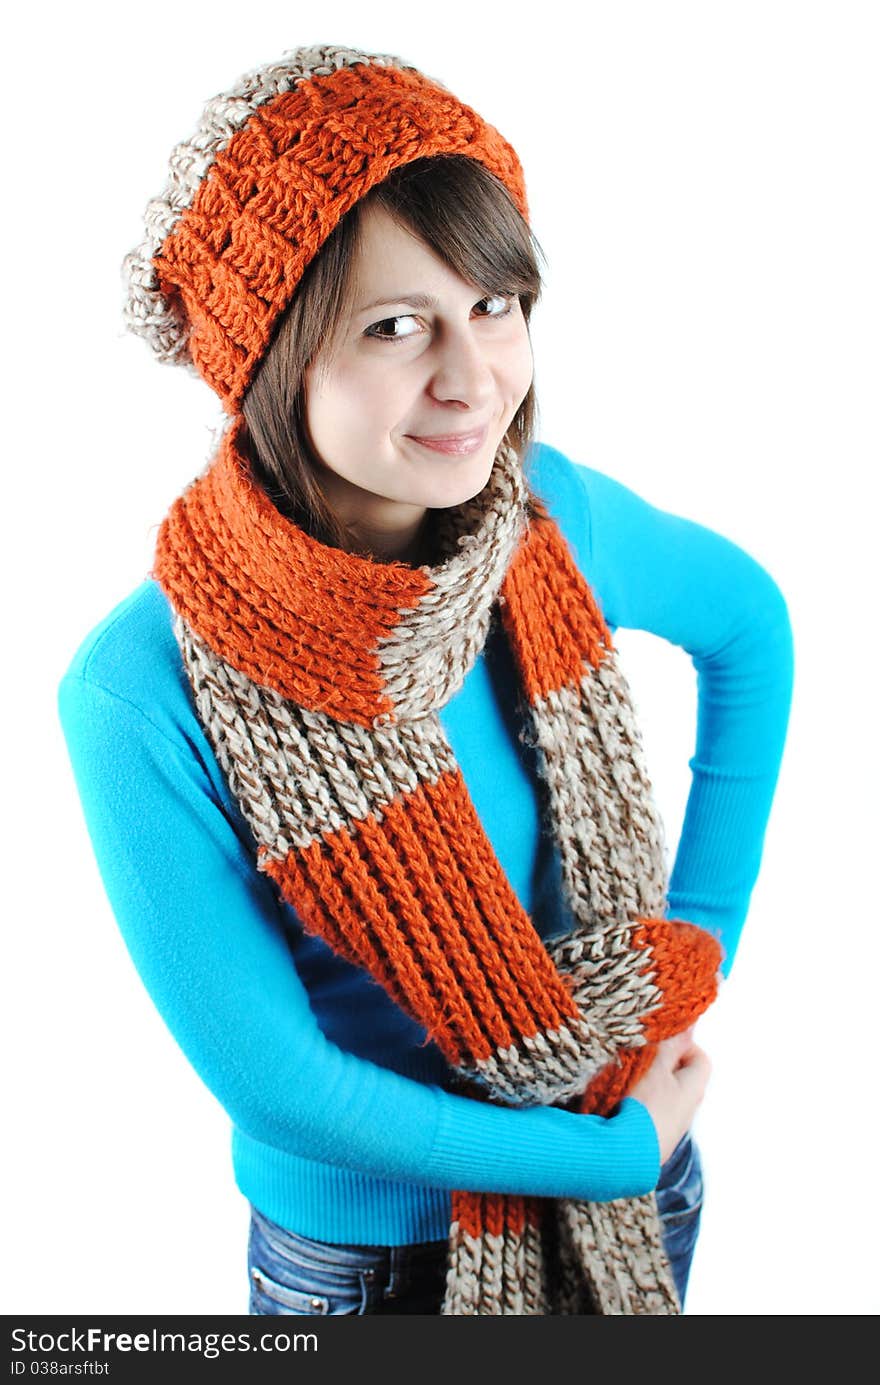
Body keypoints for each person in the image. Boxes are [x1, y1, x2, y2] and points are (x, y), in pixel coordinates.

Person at [57, 43, 794, 1316]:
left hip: (639, 1178)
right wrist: (601, 1152)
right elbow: (283, 1085)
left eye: (496, 305)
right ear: (274, 356)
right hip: (371, 1263)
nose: (472, 379)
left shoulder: (544, 520)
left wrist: (700, 944)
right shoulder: (142, 689)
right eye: (396, 326)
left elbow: (750, 627)